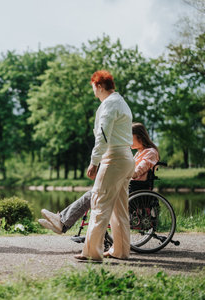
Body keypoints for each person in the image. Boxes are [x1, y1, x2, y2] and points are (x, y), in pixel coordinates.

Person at [39, 122, 159, 236]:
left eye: (129, 137)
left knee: (94, 193)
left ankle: (62, 223)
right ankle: (62, 222)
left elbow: (136, 172)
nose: (127, 140)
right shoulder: (139, 153)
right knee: (93, 193)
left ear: (139, 136)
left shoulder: (150, 153)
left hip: (133, 190)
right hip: (126, 186)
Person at [75, 70, 134, 262]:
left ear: (99, 86)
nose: (93, 91)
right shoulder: (122, 103)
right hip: (126, 158)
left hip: (114, 159)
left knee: (99, 204)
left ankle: (92, 252)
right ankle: (121, 250)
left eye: (93, 87)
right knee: (120, 208)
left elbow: (103, 136)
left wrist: (94, 161)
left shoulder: (109, 105)